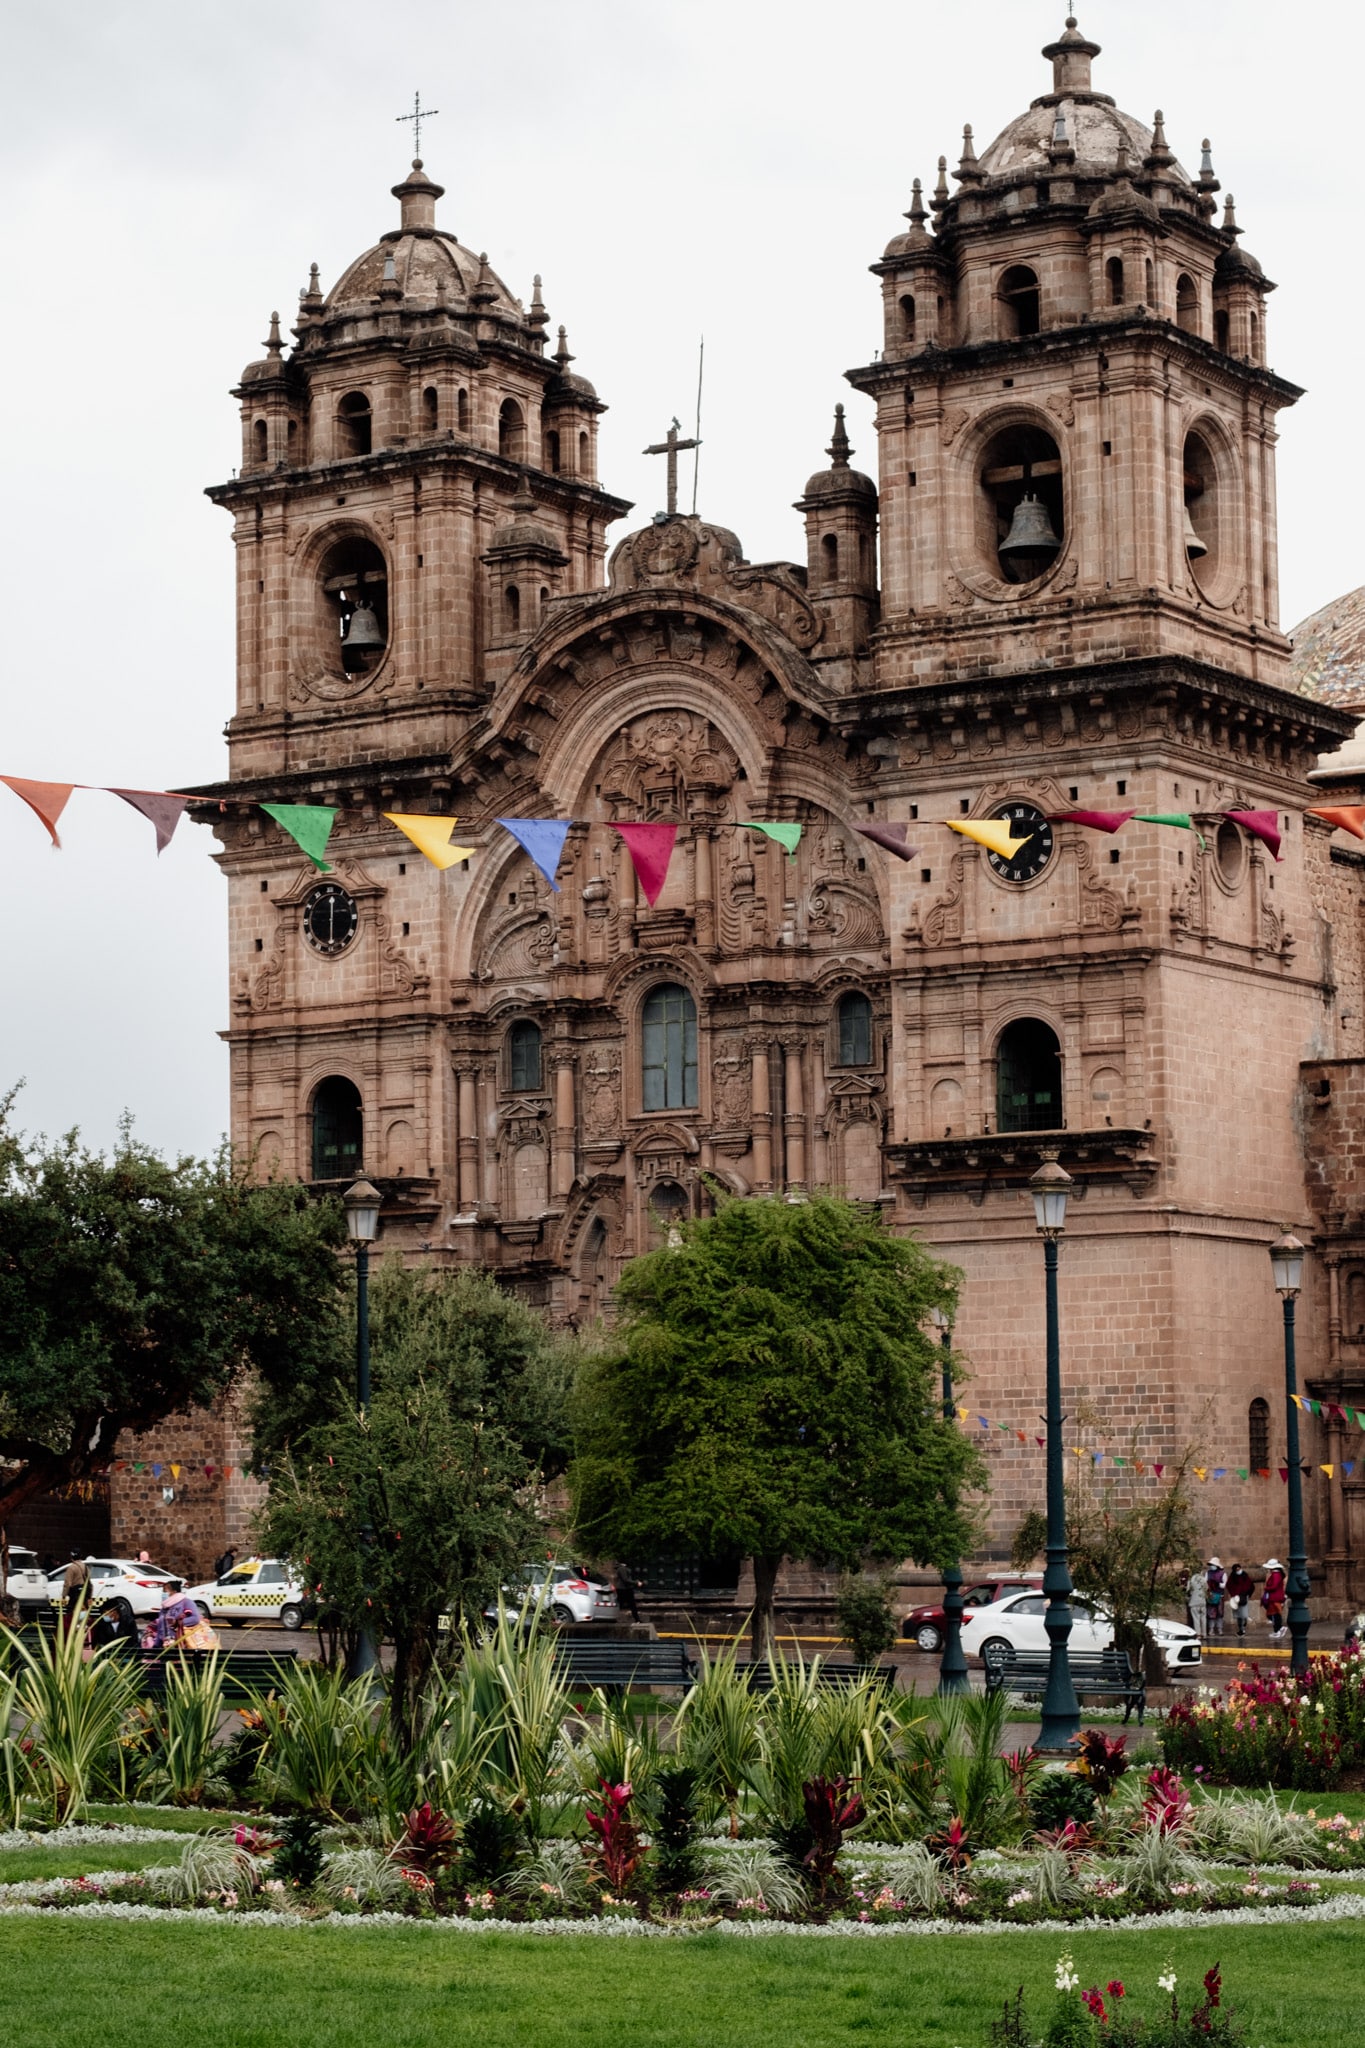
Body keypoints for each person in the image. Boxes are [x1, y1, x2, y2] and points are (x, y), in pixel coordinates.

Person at [1261, 1558, 1288, 1639]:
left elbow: (1274, 1586)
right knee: (1273, 1614)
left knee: (1275, 1614)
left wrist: (1266, 1588)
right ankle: (1278, 1629)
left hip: (1275, 1597)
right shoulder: (1276, 1574)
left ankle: (1279, 1629)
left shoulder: (1276, 1575)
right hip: (1274, 1597)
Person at [1227, 1562, 1255, 1638]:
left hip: (1243, 1597)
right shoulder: (1232, 1577)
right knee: (1239, 1615)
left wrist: (1248, 1595)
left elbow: (1251, 1586)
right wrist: (1233, 1595)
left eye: (1239, 1569)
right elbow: (1229, 1585)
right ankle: (1241, 1629)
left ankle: (1242, 1628)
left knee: (1242, 1614)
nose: (1239, 1571)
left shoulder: (1245, 1576)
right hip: (1236, 1599)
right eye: (1237, 1570)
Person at [60, 1553, 89, 1624]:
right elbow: (89, 1582)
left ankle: (72, 1627)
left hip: (74, 1594)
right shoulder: (85, 1567)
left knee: (71, 1612)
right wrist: (89, 1596)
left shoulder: (71, 1568)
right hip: (84, 1593)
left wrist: (64, 1595)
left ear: (71, 1557)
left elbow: (67, 1583)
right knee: (83, 1612)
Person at [1206, 1557, 1227, 1638]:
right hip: (1211, 1595)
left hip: (1220, 1596)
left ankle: (1220, 1629)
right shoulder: (1208, 1573)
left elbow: (1224, 1585)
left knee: (1220, 1613)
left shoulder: (1223, 1573)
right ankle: (1211, 1629)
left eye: (1213, 1565)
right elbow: (1205, 1583)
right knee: (1211, 1613)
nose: (1211, 1566)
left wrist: (1218, 1584)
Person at [1186, 1563, 1208, 1639]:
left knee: (1196, 1618)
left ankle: (1198, 1634)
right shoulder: (1203, 1579)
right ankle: (1204, 1634)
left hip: (1194, 1602)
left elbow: (1188, 1590)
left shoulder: (1191, 1579)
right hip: (1202, 1602)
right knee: (1203, 1618)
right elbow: (1206, 1589)